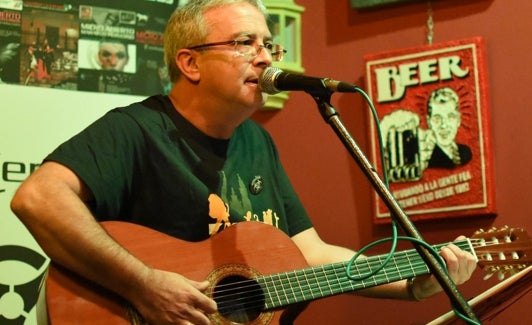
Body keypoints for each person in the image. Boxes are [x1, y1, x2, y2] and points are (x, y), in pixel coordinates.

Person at [10, 1, 477, 324]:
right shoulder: (135, 129)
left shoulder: (256, 140)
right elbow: (39, 198)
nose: (264, 57)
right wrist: (145, 286)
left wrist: (413, 282)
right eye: (244, 42)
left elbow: (308, 254)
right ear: (190, 64)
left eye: (269, 45)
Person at [426, 87, 472, 169]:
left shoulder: (465, 153)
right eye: (437, 118)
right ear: (429, 122)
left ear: (458, 120)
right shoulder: (427, 158)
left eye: (450, 117)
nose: (444, 125)